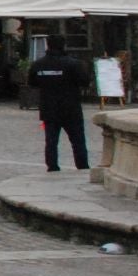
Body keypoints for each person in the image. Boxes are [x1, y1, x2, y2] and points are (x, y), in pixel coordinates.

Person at [29, 35, 89, 173]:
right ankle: (82, 166)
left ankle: (52, 166)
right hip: (71, 108)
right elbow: (85, 82)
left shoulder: (38, 65)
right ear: (63, 45)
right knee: (78, 141)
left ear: (48, 45)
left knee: (51, 141)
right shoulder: (73, 64)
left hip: (48, 108)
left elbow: (32, 83)